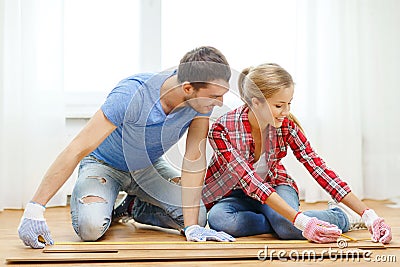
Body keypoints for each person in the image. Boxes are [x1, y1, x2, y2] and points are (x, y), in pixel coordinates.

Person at [18, 46, 235, 249]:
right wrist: (34, 209)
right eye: (215, 96)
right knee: (91, 228)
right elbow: (77, 147)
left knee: (197, 217)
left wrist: (191, 227)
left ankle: (132, 207)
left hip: (147, 167)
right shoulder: (132, 94)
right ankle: (104, 199)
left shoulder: (200, 104)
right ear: (188, 88)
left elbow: (193, 158)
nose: (219, 102)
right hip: (104, 164)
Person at [202, 63, 392, 244]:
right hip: (235, 193)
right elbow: (251, 182)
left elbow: (318, 168)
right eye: (279, 106)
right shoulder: (222, 129)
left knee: (287, 226)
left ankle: (341, 217)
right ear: (256, 102)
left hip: (276, 185)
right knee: (220, 220)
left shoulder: (287, 127)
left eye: (289, 104)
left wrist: (369, 214)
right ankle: (279, 221)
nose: (286, 112)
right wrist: (300, 221)